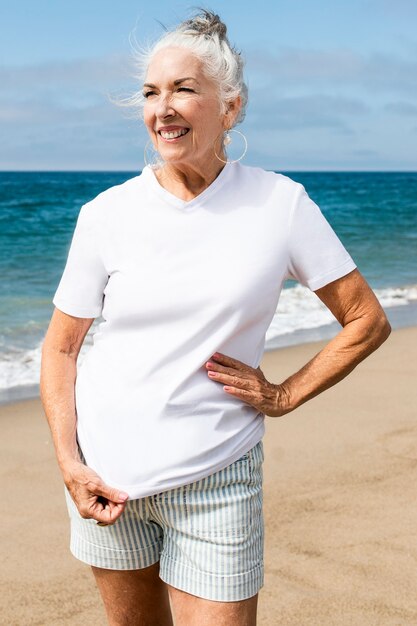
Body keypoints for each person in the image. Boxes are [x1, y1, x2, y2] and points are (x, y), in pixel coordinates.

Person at [40, 9, 391, 626]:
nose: (163, 107)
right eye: (152, 93)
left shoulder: (279, 204)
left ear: (229, 108)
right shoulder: (106, 214)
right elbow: (62, 349)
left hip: (217, 479)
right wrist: (71, 465)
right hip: (105, 477)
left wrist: (284, 395)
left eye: (183, 89)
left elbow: (365, 318)